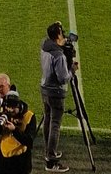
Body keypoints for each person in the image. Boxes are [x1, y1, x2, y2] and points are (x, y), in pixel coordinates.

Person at [39, 21, 75, 172]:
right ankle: (51, 161)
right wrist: (72, 70)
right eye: (62, 32)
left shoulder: (45, 44)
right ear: (58, 36)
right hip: (56, 92)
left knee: (47, 119)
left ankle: (48, 151)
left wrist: (59, 32)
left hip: (44, 89)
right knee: (55, 125)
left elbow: (55, 40)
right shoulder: (59, 56)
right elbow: (63, 78)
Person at [0, 87, 37, 174]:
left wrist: (14, 130)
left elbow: (29, 141)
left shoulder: (29, 116)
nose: (10, 110)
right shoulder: (0, 113)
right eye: (8, 107)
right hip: (2, 161)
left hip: (21, 162)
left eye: (13, 108)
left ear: (19, 105)